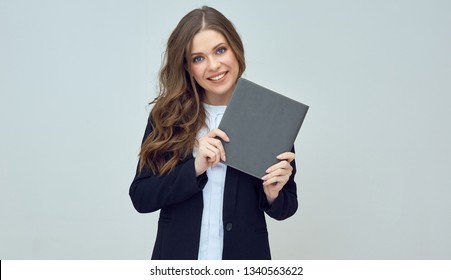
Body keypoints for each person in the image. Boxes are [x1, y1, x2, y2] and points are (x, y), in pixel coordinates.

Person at [129, 6, 298, 260]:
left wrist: (273, 193)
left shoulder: (268, 114)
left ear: (235, 49)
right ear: (187, 67)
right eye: (198, 58)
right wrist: (194, 167)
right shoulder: (167, 117)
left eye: (220, 50)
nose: (213, 65)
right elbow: (141, 197)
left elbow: (287, 206)